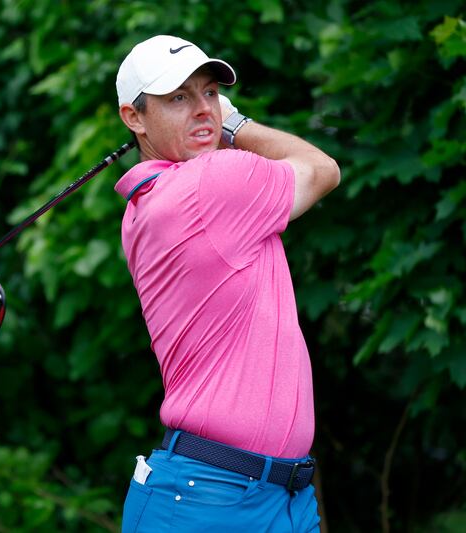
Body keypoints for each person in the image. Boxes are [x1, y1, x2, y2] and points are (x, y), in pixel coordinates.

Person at [113, 35, 340, 532]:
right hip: (208, 498)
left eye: (210, 93)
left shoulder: (149, 201)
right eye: (178, 98)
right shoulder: (210, 182)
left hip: (279, 494)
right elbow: (323, 170)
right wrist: (236, 125)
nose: (203, 110)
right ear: (134, 117)